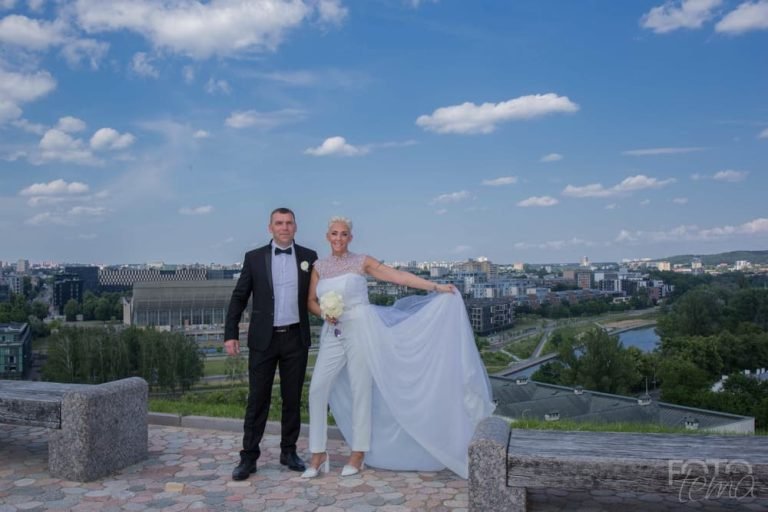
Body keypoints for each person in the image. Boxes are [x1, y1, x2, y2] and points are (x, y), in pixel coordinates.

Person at [302, 216, 494, 479]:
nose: (338, 238)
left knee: (361, 390)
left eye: (344, 234)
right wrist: (325, 313)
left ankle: (358, 453)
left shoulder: (362, 261)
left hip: (361, 329)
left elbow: (398, 276)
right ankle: (317, 453)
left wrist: (435, 286)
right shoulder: (319, 266)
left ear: (350, 237)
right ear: (327, 237)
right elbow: (311, 301)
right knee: (317, 389)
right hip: (333, 331)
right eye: (334, 233)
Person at [224, 207, 318, 481]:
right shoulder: (254, 258)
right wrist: (230, 333)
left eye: (289, 223)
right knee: (257, 399)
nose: (284, 227)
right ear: (270, 228)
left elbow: (319, 294)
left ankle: (289, 452)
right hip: (263, 339)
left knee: (292, 399)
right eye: (279, 223)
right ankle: (248, 457)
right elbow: (239, 297)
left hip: (295, 338)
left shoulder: (309, 257)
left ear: (295, 227)